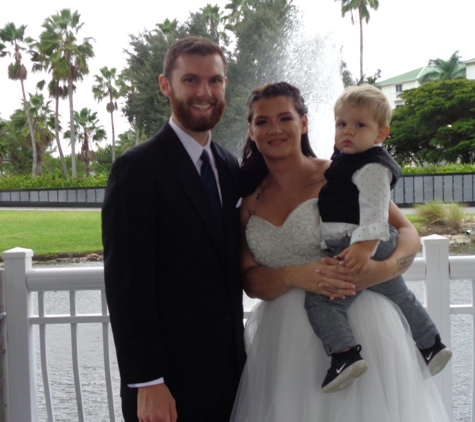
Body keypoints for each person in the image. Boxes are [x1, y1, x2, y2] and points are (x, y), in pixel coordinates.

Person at [231, 82, 450, 421]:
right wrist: (293, 275)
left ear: (303, 123)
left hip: (365, 327)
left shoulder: (341, 175)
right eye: (262, 122)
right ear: (251, 129)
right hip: (285, 347)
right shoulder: (246, 201)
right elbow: (249, 281)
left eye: (285, 118)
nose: (274, 129)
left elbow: (407, 232)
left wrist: (384, 269)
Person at [102, 36, 247, 422]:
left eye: (215, 81)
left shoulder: (229, 165)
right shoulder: (137, 169)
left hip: (231, 375)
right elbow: (126, 284)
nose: (205, 92)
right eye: (191, 80)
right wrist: (147, 381)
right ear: (166, 85)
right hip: (166, 385)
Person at [305, 84, 452, 393]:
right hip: (362, 240)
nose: (348, 131)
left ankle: (345, 354)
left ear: (381, 133)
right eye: (341, 124)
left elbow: (375, 210)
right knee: (398, 294)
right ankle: (432, 344)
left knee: (324, 301)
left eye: (360, 125)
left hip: (358, 241)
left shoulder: (371, 166)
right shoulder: (348, 159)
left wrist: (364, 247)